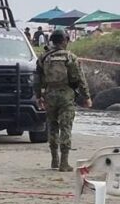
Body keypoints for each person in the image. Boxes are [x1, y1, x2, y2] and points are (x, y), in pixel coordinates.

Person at [33, 29, 92, 172]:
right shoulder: (70, 57)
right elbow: (78, 79)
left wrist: (38, 96)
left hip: (49, 95)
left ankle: (54, 159)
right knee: (66, 127)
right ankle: (64, 162)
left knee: (52, 127)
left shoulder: (44, 57)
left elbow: (37, 79)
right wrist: (87, 97)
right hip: (66, 96)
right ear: (65, 40)